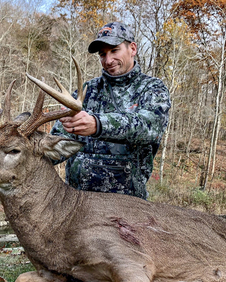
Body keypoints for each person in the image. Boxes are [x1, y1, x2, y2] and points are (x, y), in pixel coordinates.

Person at [51, 21, 171, 200]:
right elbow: (57, 144)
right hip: (78, 205)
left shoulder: (151, 88)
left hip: (126, 205)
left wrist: (97, 125)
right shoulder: (85, 92)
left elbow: (151, 127)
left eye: (114, 51)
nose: (108, 60)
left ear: (132, 48)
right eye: (102, 54)